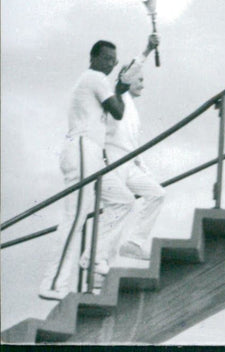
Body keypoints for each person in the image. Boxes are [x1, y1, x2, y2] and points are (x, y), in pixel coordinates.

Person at [38, 34, 158, 301]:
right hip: (81, 147)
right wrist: (121, 86)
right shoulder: (93, 77)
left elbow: (118, 94)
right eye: (106, 58)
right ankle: (53, 284)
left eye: (113, 61)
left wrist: (131, 72)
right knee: (75, 218)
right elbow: (117, 109)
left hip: (91, 153)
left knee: (123, 201)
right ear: (93, 58)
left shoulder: (99, 82)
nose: (110, 64)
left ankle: (92, 258)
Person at [83, 54, 165, 272]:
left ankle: (133, 243)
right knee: (117, 209)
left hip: (129, 163)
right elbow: (124, 79)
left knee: (157, 193)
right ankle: (93, 258)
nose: (143, 85)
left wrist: (146, 172)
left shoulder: (134, 110)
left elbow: (133, 146)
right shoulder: (117, 97)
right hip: (113, 160)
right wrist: (147, 51)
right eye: (140, 80)